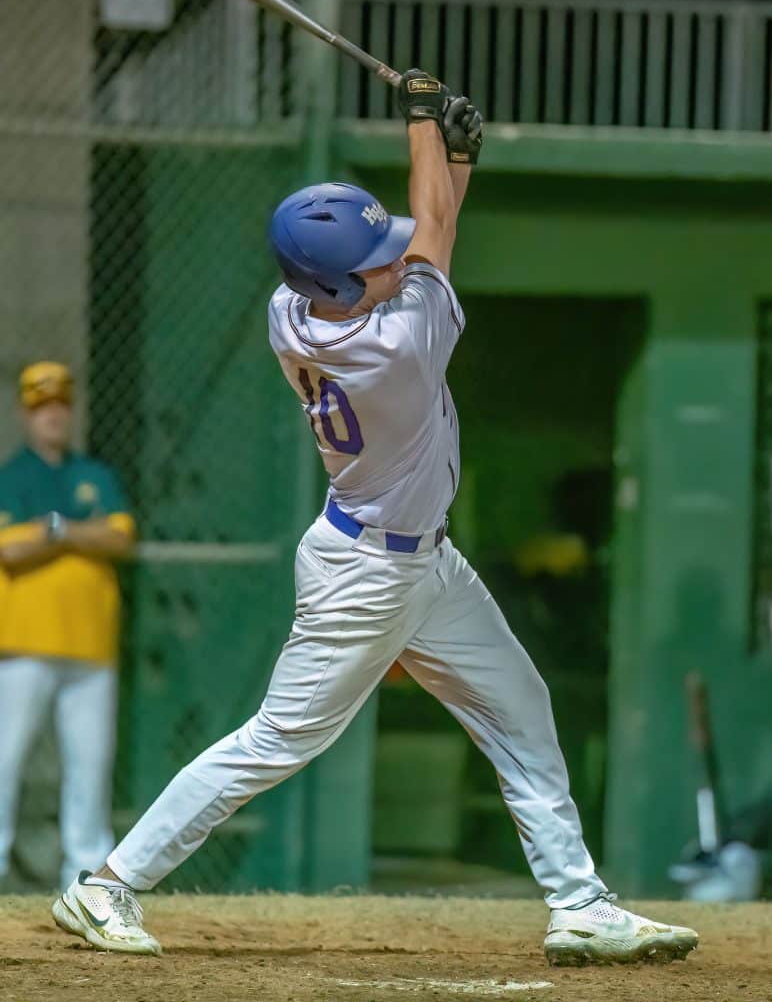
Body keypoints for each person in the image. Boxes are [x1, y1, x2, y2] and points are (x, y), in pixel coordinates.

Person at [51, 72, 698, 965]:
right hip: (365, 578)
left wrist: (448, 153)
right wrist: (428, 129)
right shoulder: (396, 344)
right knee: (277, 741)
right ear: (336, 285)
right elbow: (435, 236)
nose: (391, 263)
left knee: (520, 705)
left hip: (423, 564)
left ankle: (579, 902)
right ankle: (106, 885)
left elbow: (425, 230)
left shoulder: (293, 311)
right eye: (372, 262)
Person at [0, 362, 135, 889]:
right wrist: (79, 532)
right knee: (5, 757)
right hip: (25, 644)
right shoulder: (12, 475)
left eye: (59, 404)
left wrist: (52, 530)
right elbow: (10, 550)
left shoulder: (95, 475)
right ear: (23, 415)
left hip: (89, 646)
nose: (52, 415)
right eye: (40, 406)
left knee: (89, 765)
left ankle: (83, 874)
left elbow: (121, 539)